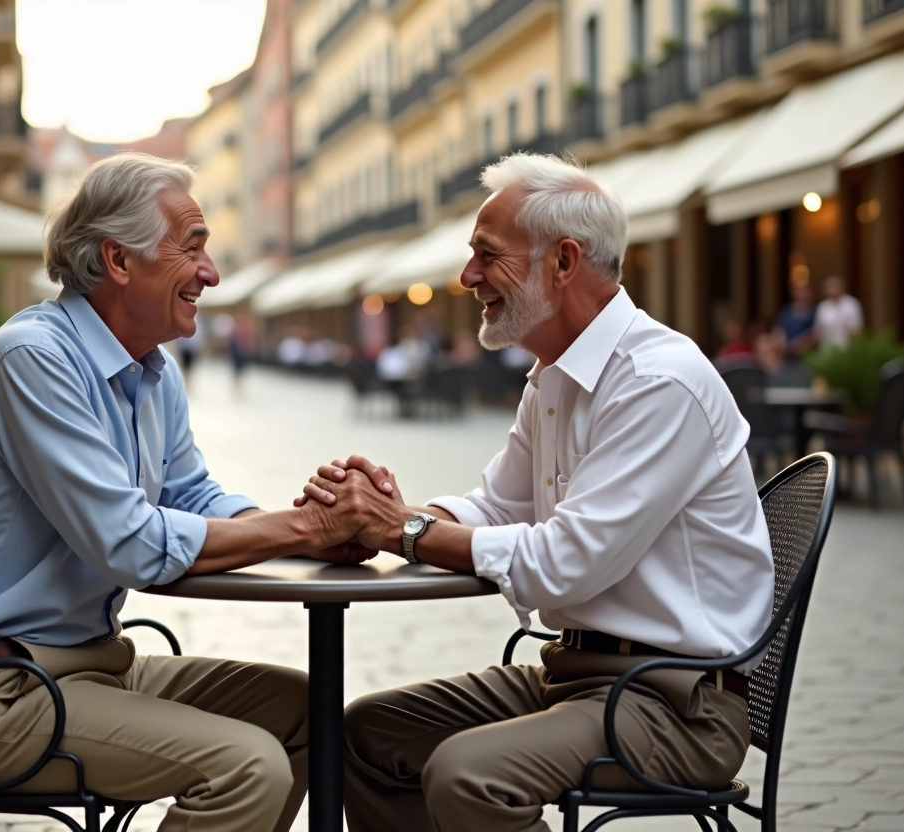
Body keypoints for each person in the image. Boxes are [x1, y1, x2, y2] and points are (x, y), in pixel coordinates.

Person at [295, 153, 774, 832]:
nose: (468, 277)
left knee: (469, 775)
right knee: (368, 734)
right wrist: (389, 514)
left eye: (487, 256)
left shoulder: (656, 380)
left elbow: (564, 561)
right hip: (575, 674)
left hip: (674, 704)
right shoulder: (554, 375)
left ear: (563, 261)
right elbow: (495, 506)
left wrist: (400, 531)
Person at [0, 153, 383, 832]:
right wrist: (304, 533)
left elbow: (191, 495)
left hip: (90, 669)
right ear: (118, 261)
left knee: (309, 712)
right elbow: (127, 542)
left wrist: (309, 525)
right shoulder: (33, 358)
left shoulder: (152, 370)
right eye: (192, 249)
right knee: (249, 765)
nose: (211, 273)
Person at [815, 274, 863, 349]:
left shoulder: (851, 304)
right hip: (827, 349)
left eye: (834, 287)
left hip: (846, 349)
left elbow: (856, 330)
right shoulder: (823, 306)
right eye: (829, 288)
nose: (832, 290)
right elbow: (818, 330)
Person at [775, 279, 818, 357]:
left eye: (805, 291)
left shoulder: (816, 311)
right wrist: (782, 343)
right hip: (786, 353)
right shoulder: (786, 311)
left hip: (808, 354)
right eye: (799, 291)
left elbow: (816, 333)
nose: (802, 294)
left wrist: (799, 345)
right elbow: (779, 329)